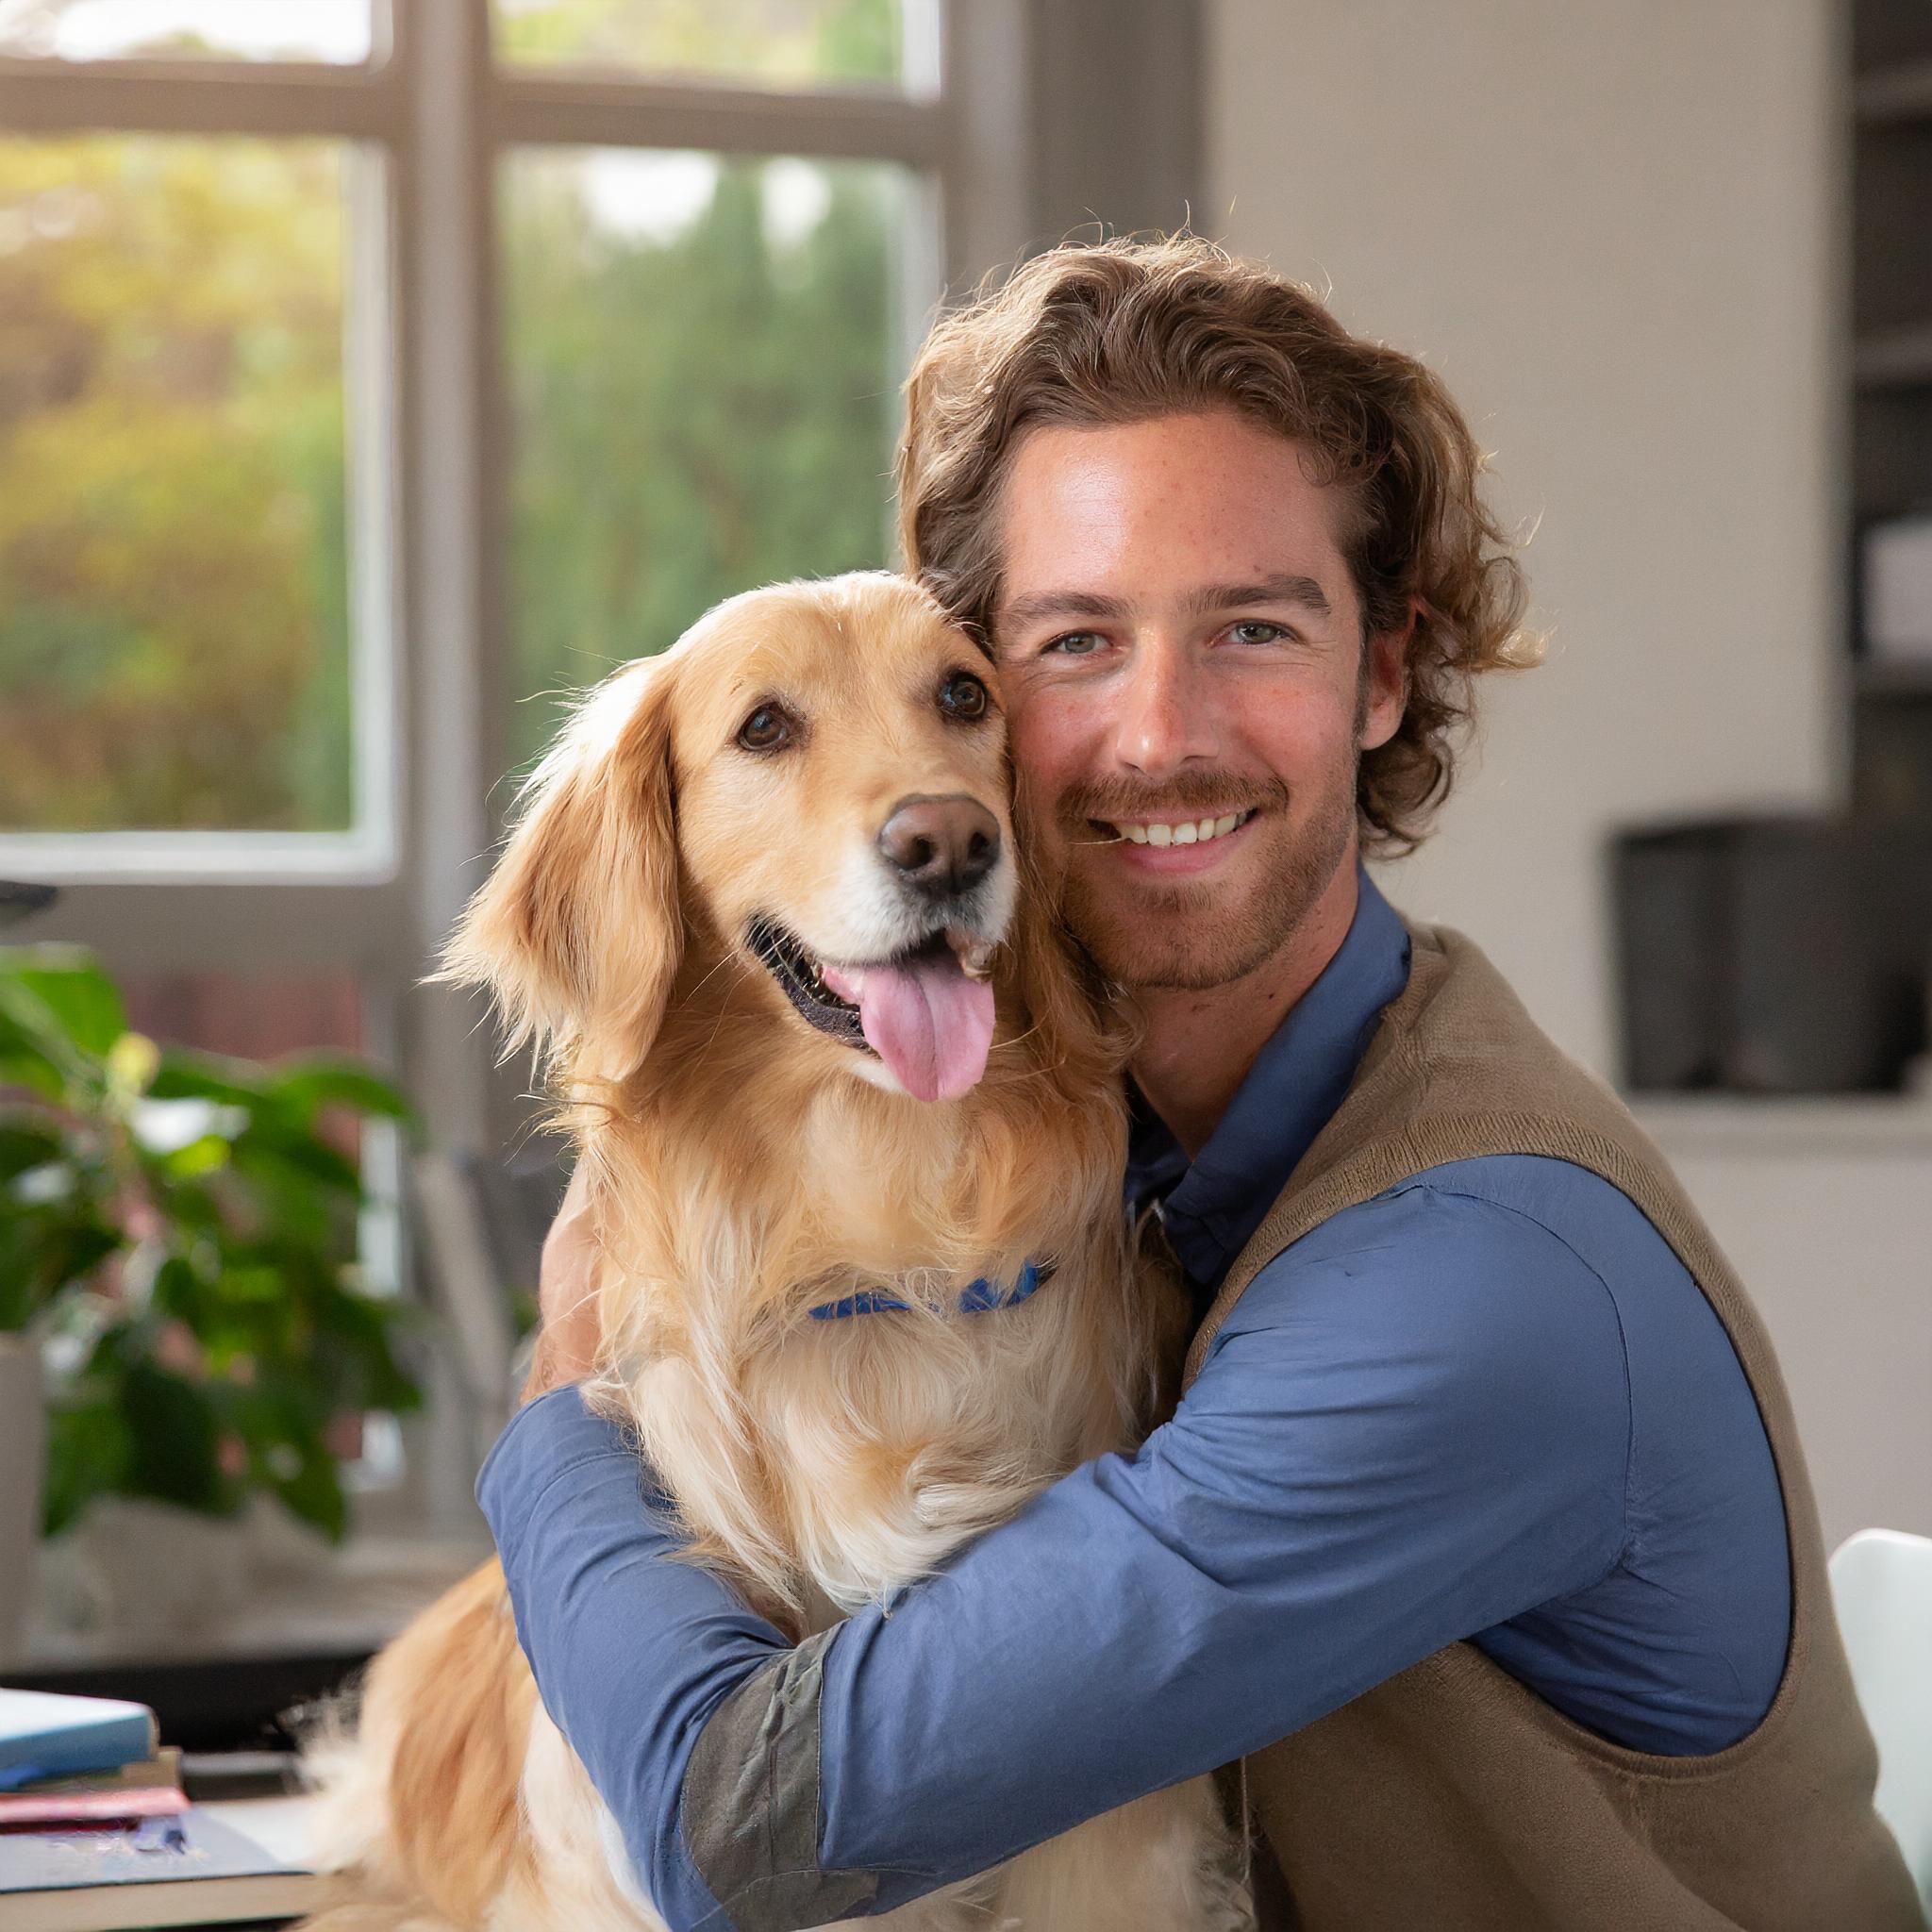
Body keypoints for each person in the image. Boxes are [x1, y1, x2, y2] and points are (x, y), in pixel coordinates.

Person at [477, 239, 1921, 1930]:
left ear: (1383, 674)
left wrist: (566, 1415)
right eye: (1075, 646)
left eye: (1251, 629)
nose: (1160, 735)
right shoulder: (1123, 1175)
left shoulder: (1470, 1277)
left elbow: (751, 1826)